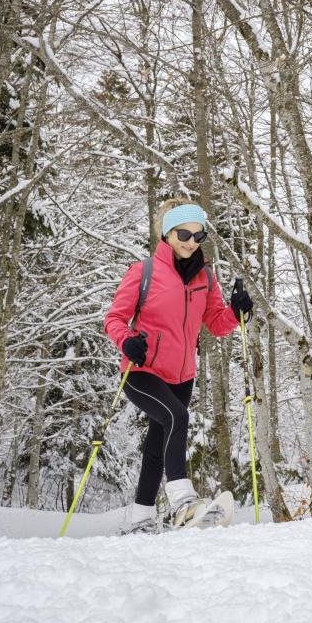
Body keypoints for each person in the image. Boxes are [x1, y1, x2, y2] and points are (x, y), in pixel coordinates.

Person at [104, 200, 253, 533]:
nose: (191, 241)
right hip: (142, 370)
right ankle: (183, 503)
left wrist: (237, 311)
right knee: (176, 417)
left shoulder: (205, 277)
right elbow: (114, 318)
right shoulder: (144, 272)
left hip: (182, 375)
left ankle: (142, 519)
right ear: (167, 233)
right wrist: (126, 340)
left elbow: (216, 323)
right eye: (184, 233)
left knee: (159, 441)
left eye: (198, 235)